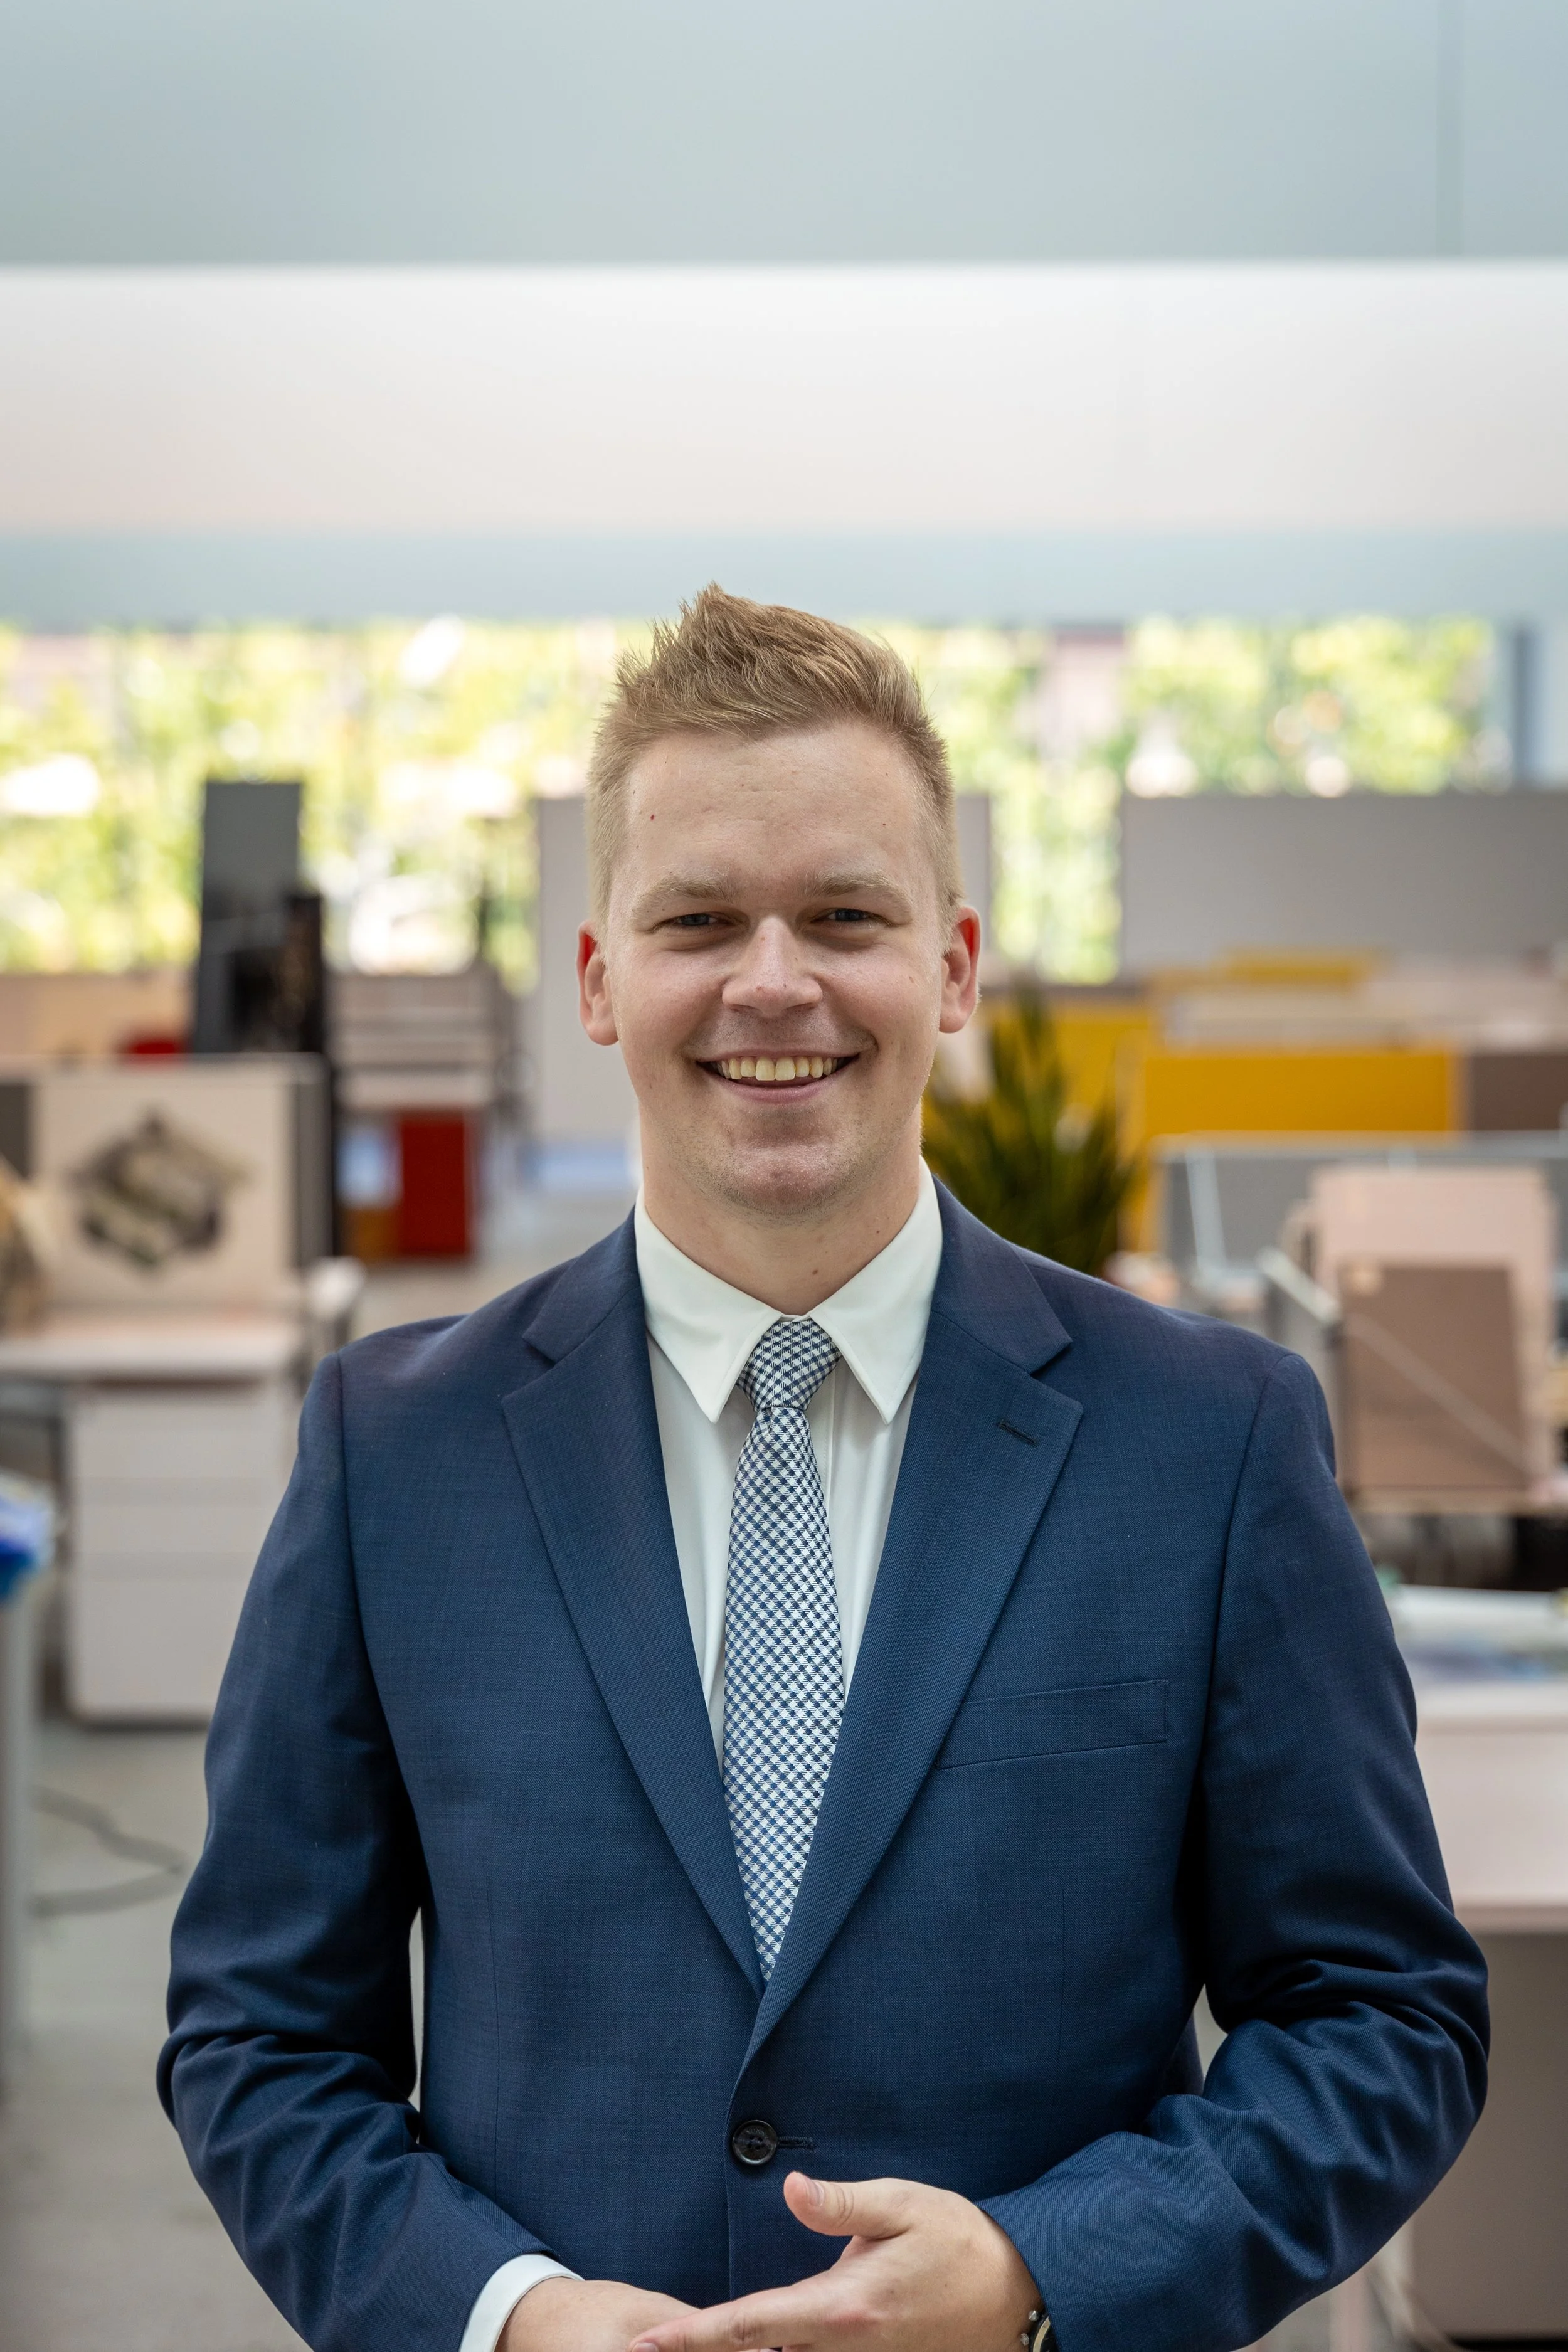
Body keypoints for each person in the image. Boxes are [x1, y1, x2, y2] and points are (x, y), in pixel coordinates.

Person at [162, 588, 1486, 2352]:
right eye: (697, 918)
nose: (770, 981)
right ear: (598, 978)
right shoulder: (393, 1448)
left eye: (842, 916)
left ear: (947, 968)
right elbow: (260, 2035)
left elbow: (1379, 2014)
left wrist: (1039, 2271)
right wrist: (505, 2313)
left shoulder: (1211, 1438)